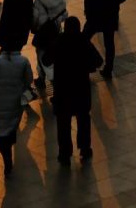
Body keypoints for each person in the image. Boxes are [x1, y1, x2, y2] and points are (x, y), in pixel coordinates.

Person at [44, 16, 102, 164]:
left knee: (63, 123)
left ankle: (64, 153)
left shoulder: (59, 41)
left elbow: (46, 60)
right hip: (80, 89)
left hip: (63, 90)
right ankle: (84, 148)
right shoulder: (83, 41)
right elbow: (98, 61)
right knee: (83, 119)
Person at [0, 47, 33, 176]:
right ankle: (10, 144)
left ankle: (7, 158)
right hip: (15, 103)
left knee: (0, 132)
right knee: (11, 127)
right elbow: (29, 80)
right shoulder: (24, 61)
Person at [83, 0, 123, 78]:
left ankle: (91, 63)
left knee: (83, 38)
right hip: (110, 15)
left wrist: (88, 11)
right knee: (109, 43)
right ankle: (108, 68)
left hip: (95, 15)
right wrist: (114, 3)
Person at [31, 0, 67, 88]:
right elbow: (64, 15)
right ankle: (42, 79)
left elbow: (35, 17)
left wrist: (34, 27)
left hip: (42, 33)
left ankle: (48, 81)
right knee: (51, 57)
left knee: (43, 58)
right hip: (55, 33)